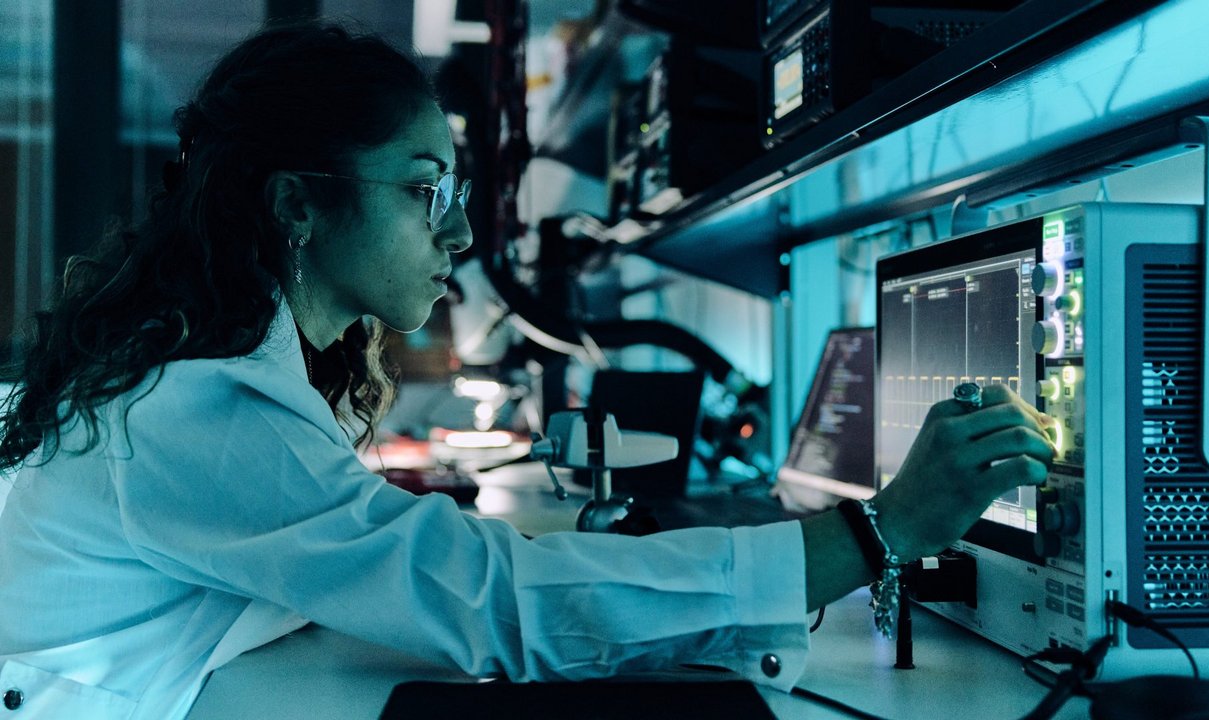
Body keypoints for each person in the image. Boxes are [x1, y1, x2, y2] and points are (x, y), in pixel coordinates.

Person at [0, 22, 1055, 720]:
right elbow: (492, 602)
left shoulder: (211, 365)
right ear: (295, 206)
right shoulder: (201, 402)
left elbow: (435, 584)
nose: (453, 238)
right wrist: (876, 532)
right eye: (425, 193)